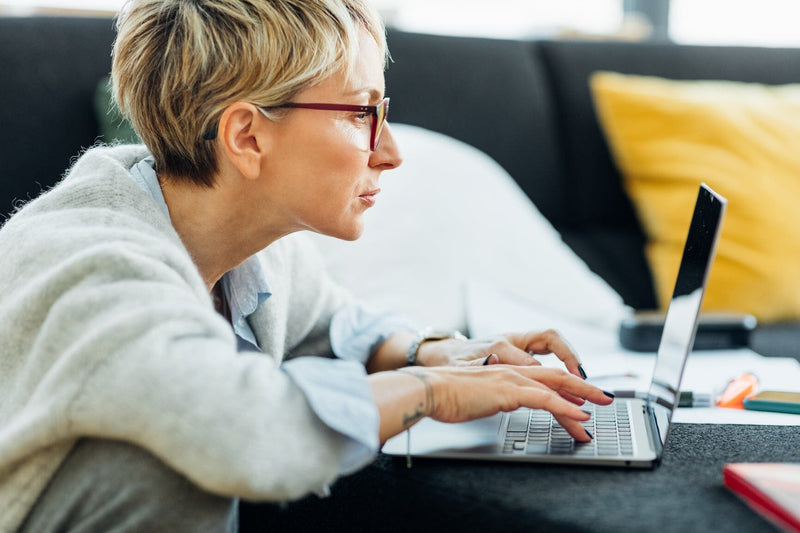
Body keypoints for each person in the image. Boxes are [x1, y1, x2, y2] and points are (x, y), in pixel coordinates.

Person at [0, 0, 614, 531]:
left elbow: (332, 326)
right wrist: (436, 393)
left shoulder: (253, 245)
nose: (392, 152)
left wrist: (433, 352)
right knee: (168, 459)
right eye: (358, 114)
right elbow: (245, 433)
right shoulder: (93, 265)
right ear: (246, 136)